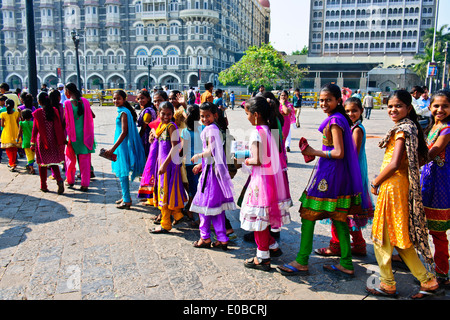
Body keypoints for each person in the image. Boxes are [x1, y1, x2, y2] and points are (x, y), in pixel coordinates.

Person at [277, 83, 363, 278]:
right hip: (338, 174)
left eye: (328, 100)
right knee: (339, 217)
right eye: (321, 100)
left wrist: (312, 151)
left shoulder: (335, 121)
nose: (324, 103)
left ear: (338, 100)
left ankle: (301, 261)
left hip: (330, 175)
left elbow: (339, 152)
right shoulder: (341, 118)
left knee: (308, 214)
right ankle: (346, 263)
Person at [366, 90, 442, 299]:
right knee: (399, 236)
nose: (392, 109)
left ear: (409, 108)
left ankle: (388, 284)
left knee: (381, 236)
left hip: (392, 187)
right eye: (390, 106)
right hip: (399, 186)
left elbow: (394, 163)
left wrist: (376, 181)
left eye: (398, 106)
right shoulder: (410, 128)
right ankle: (427, 280)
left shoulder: (403, 130)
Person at [315, 97, 374, 257]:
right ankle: (359, 244)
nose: (350, 114)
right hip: (351, 173)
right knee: (349, 213)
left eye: (354, 110)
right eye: (347, 111)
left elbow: (350, 154)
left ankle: (336, 245)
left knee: (339, 211)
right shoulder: (350, 126)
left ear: (361, 111)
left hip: (349, 173)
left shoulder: (356, 129)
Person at [240, 96, 292, 272]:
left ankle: (262, 257)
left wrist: (243, 159)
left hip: (261, 180)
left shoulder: (256, 132)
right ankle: (271, 245)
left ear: (256, 115)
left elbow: (258, 160)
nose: (246, 117)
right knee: (265, 218)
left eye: (247, 114)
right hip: (270, 180)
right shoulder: (268, 130)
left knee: (258, 220)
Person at [190, 102, 236, 250]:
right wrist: (201, 165)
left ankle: (204, 237)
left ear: (215, 115)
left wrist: (198, 156)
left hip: (210, 176)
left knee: (204, 207)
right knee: (217, 209)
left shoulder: (211, 129)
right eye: (202, 116)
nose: (204, 119)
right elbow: (215, 154)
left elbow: (210, 151)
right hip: (213, 171)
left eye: (207, 116)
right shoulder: (215, 128)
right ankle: (222, 238)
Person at [420, 90, 450, 290]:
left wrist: (409, 162)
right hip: (428, 180)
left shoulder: (446, 129)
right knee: (423, 225)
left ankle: (442, 272)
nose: (440, 109)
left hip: (441, 184)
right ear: (430, 107)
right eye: (436, 106)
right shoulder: (433, 126)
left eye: (445, 106)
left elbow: (433, 151)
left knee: (438, 232)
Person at [149, 101, 187, 233]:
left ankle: (165, 224)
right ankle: (177, 214)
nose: (166, 116)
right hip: (163, 162)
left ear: (172, 114)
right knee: (169, 190)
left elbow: (176, 147)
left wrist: (165, 165)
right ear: (158, 113)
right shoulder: (162, 126)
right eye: (163, 114)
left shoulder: (171, 126)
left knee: (164, 191)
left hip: (168, 164)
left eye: (168, 114)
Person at [104, 90, 146, 209]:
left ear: (124, 99)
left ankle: (127, 200)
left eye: (118, 98)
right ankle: (125, 196)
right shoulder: (123, 111)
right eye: (114, 98)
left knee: (122, 172)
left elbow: (124, 132)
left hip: (122, 146)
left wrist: (112, 149)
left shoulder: (123, 112)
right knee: (122, 172)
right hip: (121, 144)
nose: (115, 101)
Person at [31, 92, 66, 194]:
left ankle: (43, 185)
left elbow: (35, 129)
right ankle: (59, 179)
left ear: (39, 101)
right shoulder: (53, 111)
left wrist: (32, 142)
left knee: (42, 164)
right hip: (53, 141)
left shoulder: (38, 113)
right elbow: (58, 126)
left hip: (42, 141)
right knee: (53, 163)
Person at [137, 90, 168, 207]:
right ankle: (153, 199)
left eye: (159, 100)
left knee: (163, 179)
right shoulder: (157, 112)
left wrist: (154, 132)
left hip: (163, 151)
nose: (157, 103)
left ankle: (164, 206)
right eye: (155, 101)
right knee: (153, 173)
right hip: (154, 146)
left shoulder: (167, 115)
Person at [64, 83, 96, 192]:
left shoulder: (67, 103)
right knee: (85, 160)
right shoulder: (85, 101)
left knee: (70, 159)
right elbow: (92, 115)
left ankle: (70, 180)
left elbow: (65, 120)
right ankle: (85, 184)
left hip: (73, 136)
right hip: (85, 135)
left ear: (67, 91)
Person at [180, 104, 203, 227]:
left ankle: (199, 218)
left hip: (190, 164)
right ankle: (192, 211)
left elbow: (184, 149)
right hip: (202, 163)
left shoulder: (186, 131)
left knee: (194, 190)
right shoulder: (203, 128)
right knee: (201, 188)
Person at [0, 99, 21, 171]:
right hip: (15, 132)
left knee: (8, 149)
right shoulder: (16, 113)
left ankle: (11, 163)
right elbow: (18, 124)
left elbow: (2, 125)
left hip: (7, 132)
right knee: (14, 149)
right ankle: (13, 162)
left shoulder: (3, 114)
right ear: (13, 106)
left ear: (5, 105)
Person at [136, 89, 157, 158]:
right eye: (138, 99)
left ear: (148, 98)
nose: (140, 100)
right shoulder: (151, 108)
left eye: (142, 98)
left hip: (147, 135)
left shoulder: (147, 111)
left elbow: (144, 127)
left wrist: (138, 137)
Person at [17, 109, 35, 174]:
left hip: (26, 142)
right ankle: (29, 164)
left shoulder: (22, 123)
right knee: (32, 154)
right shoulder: (33, 123)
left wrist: (17, 139)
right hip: (33, 142)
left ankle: (32, 168)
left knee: (28, 155)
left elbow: (19, 133)